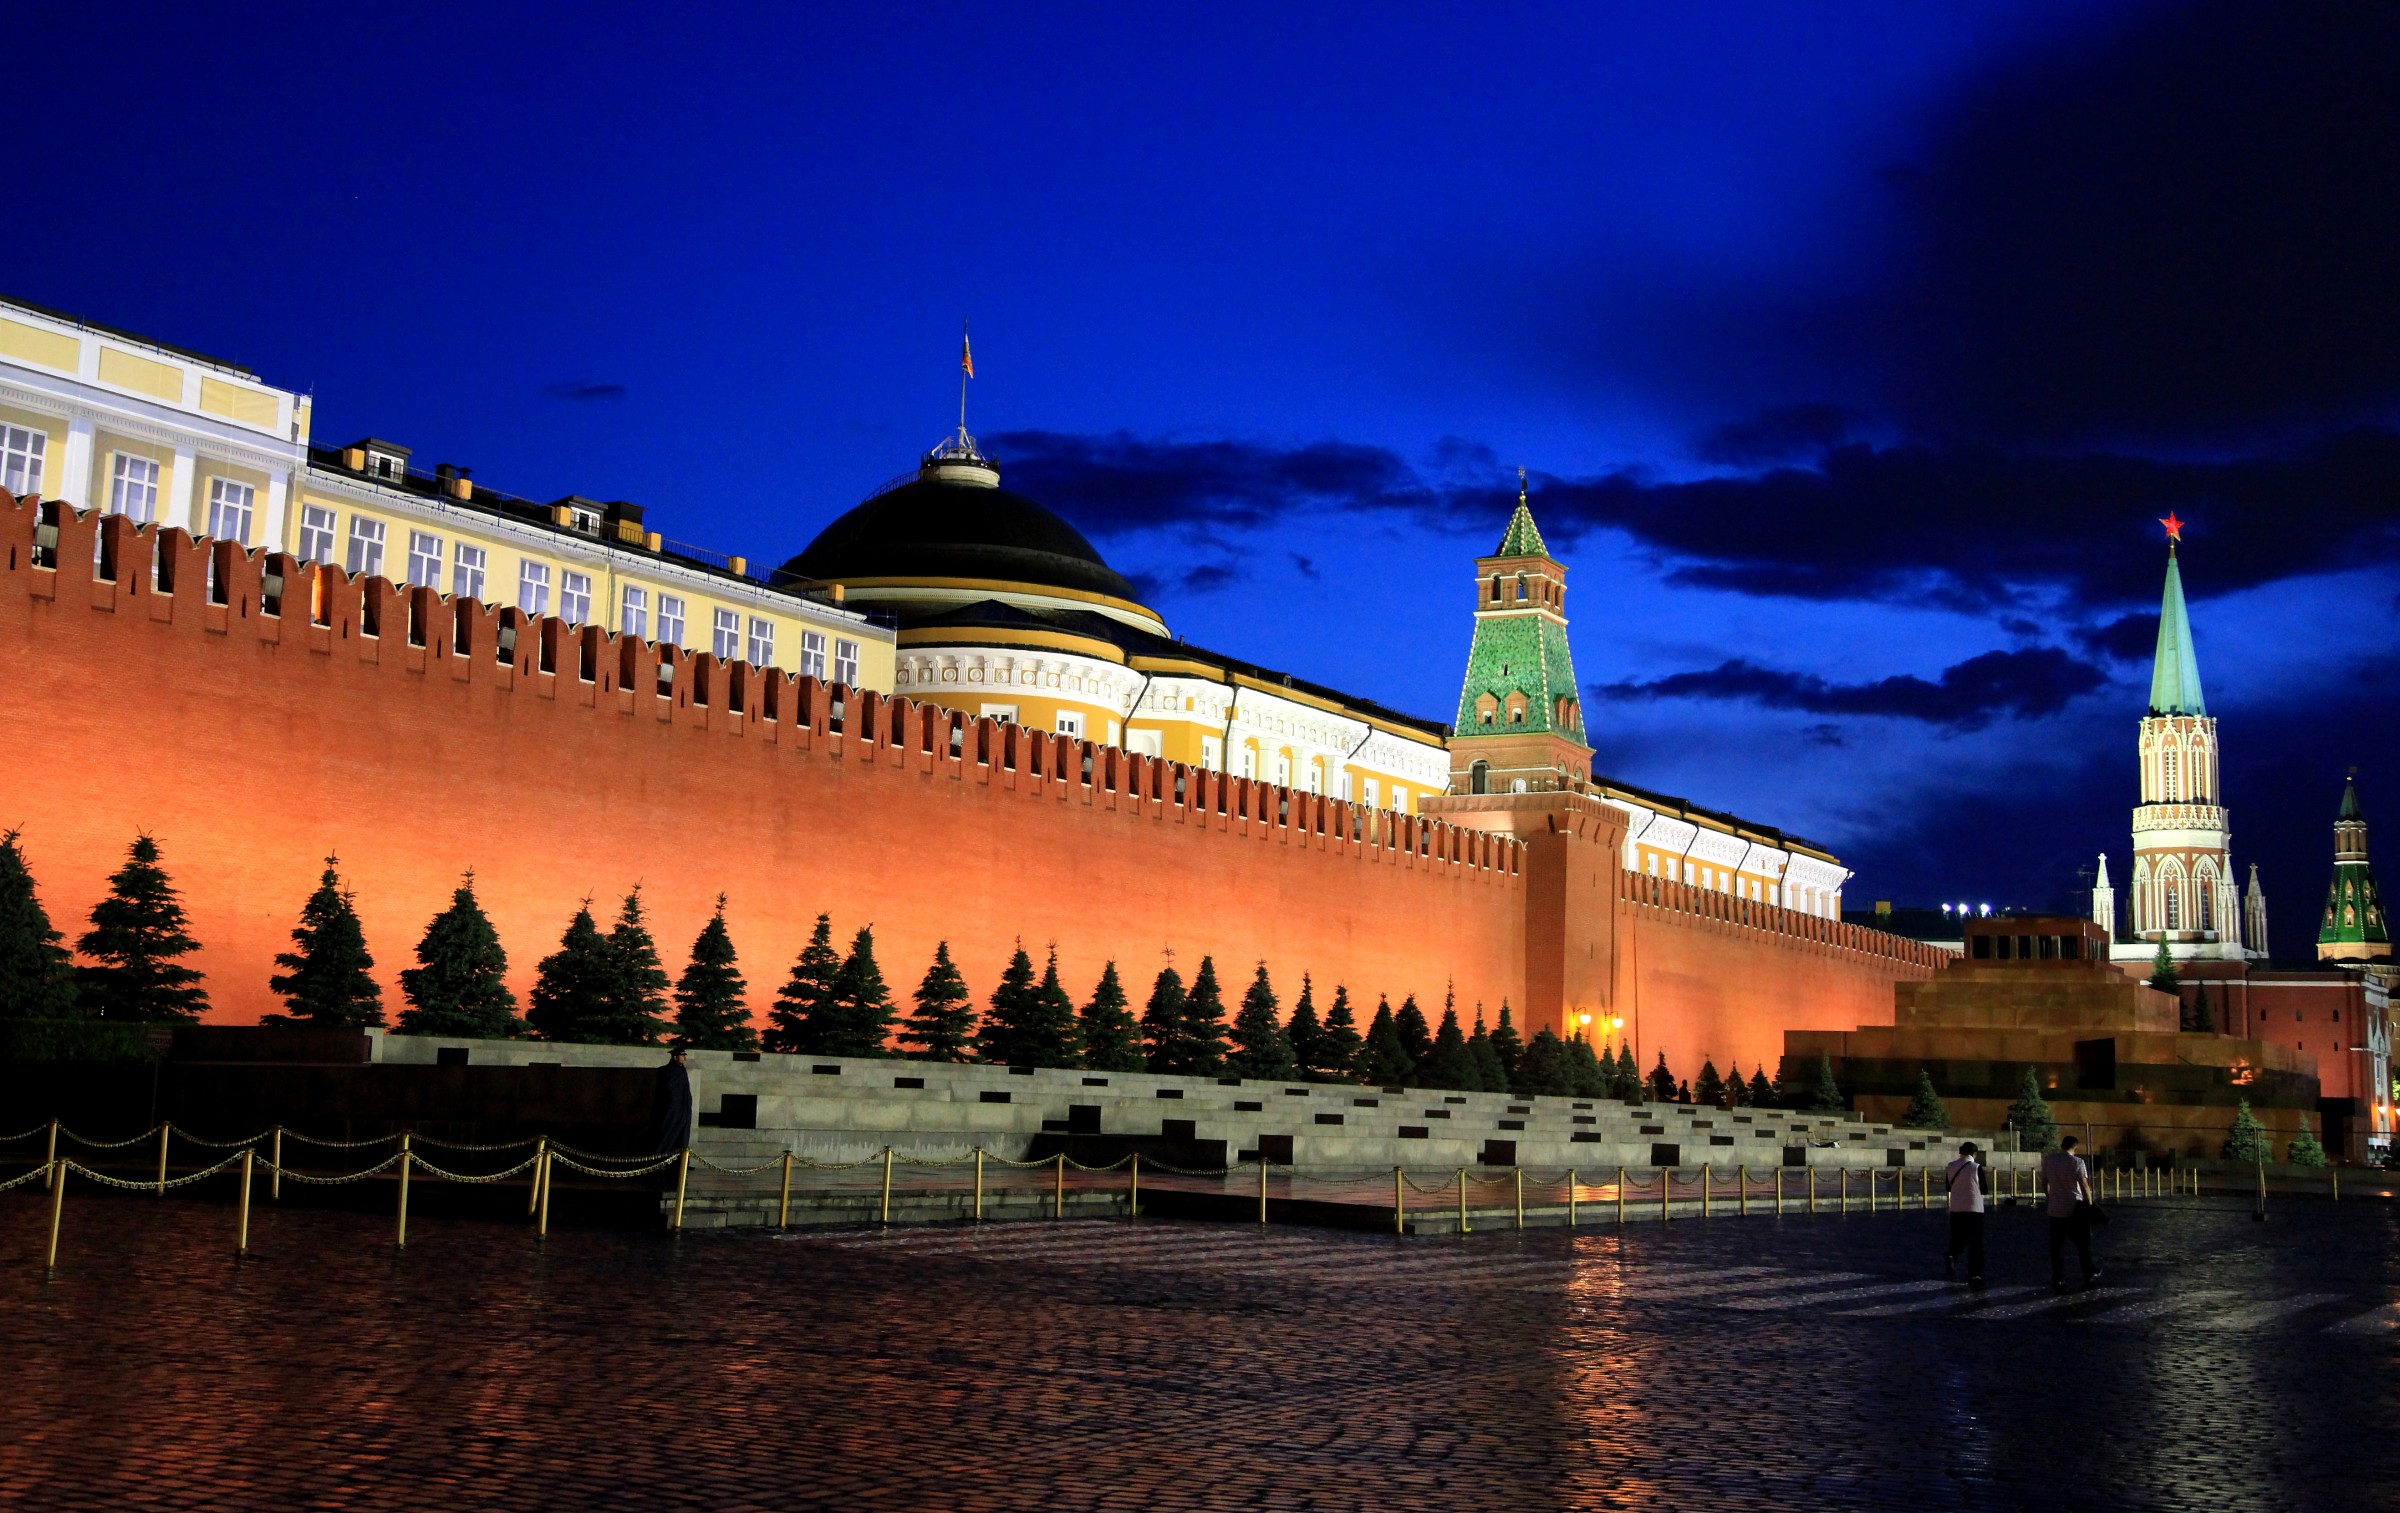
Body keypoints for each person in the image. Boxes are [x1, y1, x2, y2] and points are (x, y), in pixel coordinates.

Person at [2040, 1134, 2099, 1291]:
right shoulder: (2077, 1162)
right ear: (2075, 1147)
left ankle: (2058, 1277)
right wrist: (2090, 1203)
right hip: (2074, 1208)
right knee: (2082, 1243)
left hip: (2055, 1208)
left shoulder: (2049, 1160)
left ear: (2062, 1145)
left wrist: (2049, 1195)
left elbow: (2044, 1181)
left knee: (2057, 1245)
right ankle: (2088, 1273)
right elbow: (2084, 1184)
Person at [1943, 1140, 1987, 1287]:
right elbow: (1985, 1189)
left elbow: (1948, 1187)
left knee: (1957, 1237)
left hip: (1956, 1207)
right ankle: (1974, 1273)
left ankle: (1952, 1255)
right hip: (1974, 1208)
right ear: (1974, 1153)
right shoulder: (1976, 1167)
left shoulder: (1951, 1166)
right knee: (1975, 1242)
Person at [652, 1046, 694, 1155]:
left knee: (682, 1135)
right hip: (673, 1110)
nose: (684, 1058)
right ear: (675, 1057)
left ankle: (681, 1162)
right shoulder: (669, 1071)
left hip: (683, 1110)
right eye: (682, 1056)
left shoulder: (681, 1070)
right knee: (668, 1133)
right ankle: (659, 1158)